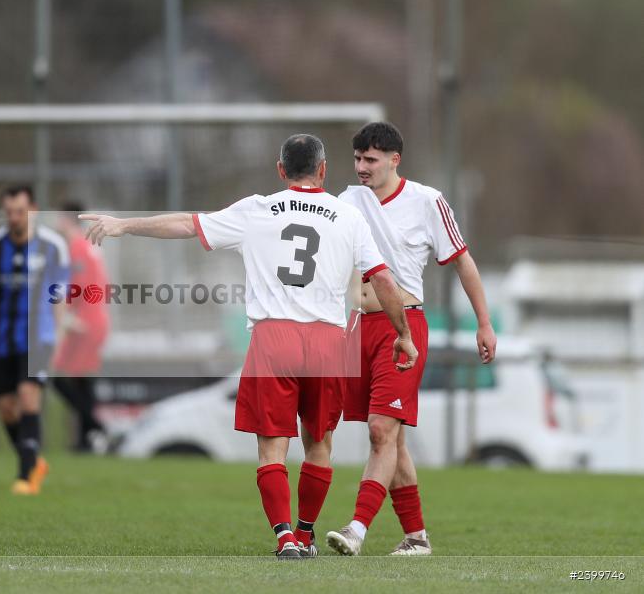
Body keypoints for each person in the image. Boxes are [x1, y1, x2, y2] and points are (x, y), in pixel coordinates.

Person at [80, 134, 418, 559]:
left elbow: (187, 224)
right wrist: (402, 333)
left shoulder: (256, 209)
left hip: (274, 337)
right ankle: (307, 534)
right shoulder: (348, 217)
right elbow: (383, 280)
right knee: (318, 443)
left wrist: (124, 225)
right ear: (323, 170)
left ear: (280, 170)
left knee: (271, 447)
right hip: (330, 341)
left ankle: (284, 540)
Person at [326, 122, 497, 557]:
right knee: (392, 438)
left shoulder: (427, 201)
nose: (362, 168)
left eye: (371, 160)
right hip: (358, 329)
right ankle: (417, 537)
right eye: (358, 159)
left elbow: (463, 263)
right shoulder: (348, 201)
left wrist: (484, 323)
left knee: (382, 430)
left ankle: (357, 529)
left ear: (394, 159)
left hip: (404, 330)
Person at [0, 185, 70, 495]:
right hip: (0, 340)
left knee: (27, 397)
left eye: (19, 212)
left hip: (39, 339)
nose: (13, 218)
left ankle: (25, 477)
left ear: (32, 210)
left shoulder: (52, 247)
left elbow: (60, 295)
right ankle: (33, 459)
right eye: (8, 212)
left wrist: (60, 337)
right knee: (7, 408)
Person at [51, 201, 110, 452]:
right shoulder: (88, 246)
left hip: (85, 324)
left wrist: (69, 318)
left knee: (58, 376)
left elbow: (74, 287)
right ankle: (86, 440)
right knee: (81, 380)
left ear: (66, 219)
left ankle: (96, 426)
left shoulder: (75, 247)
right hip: (96, 321)